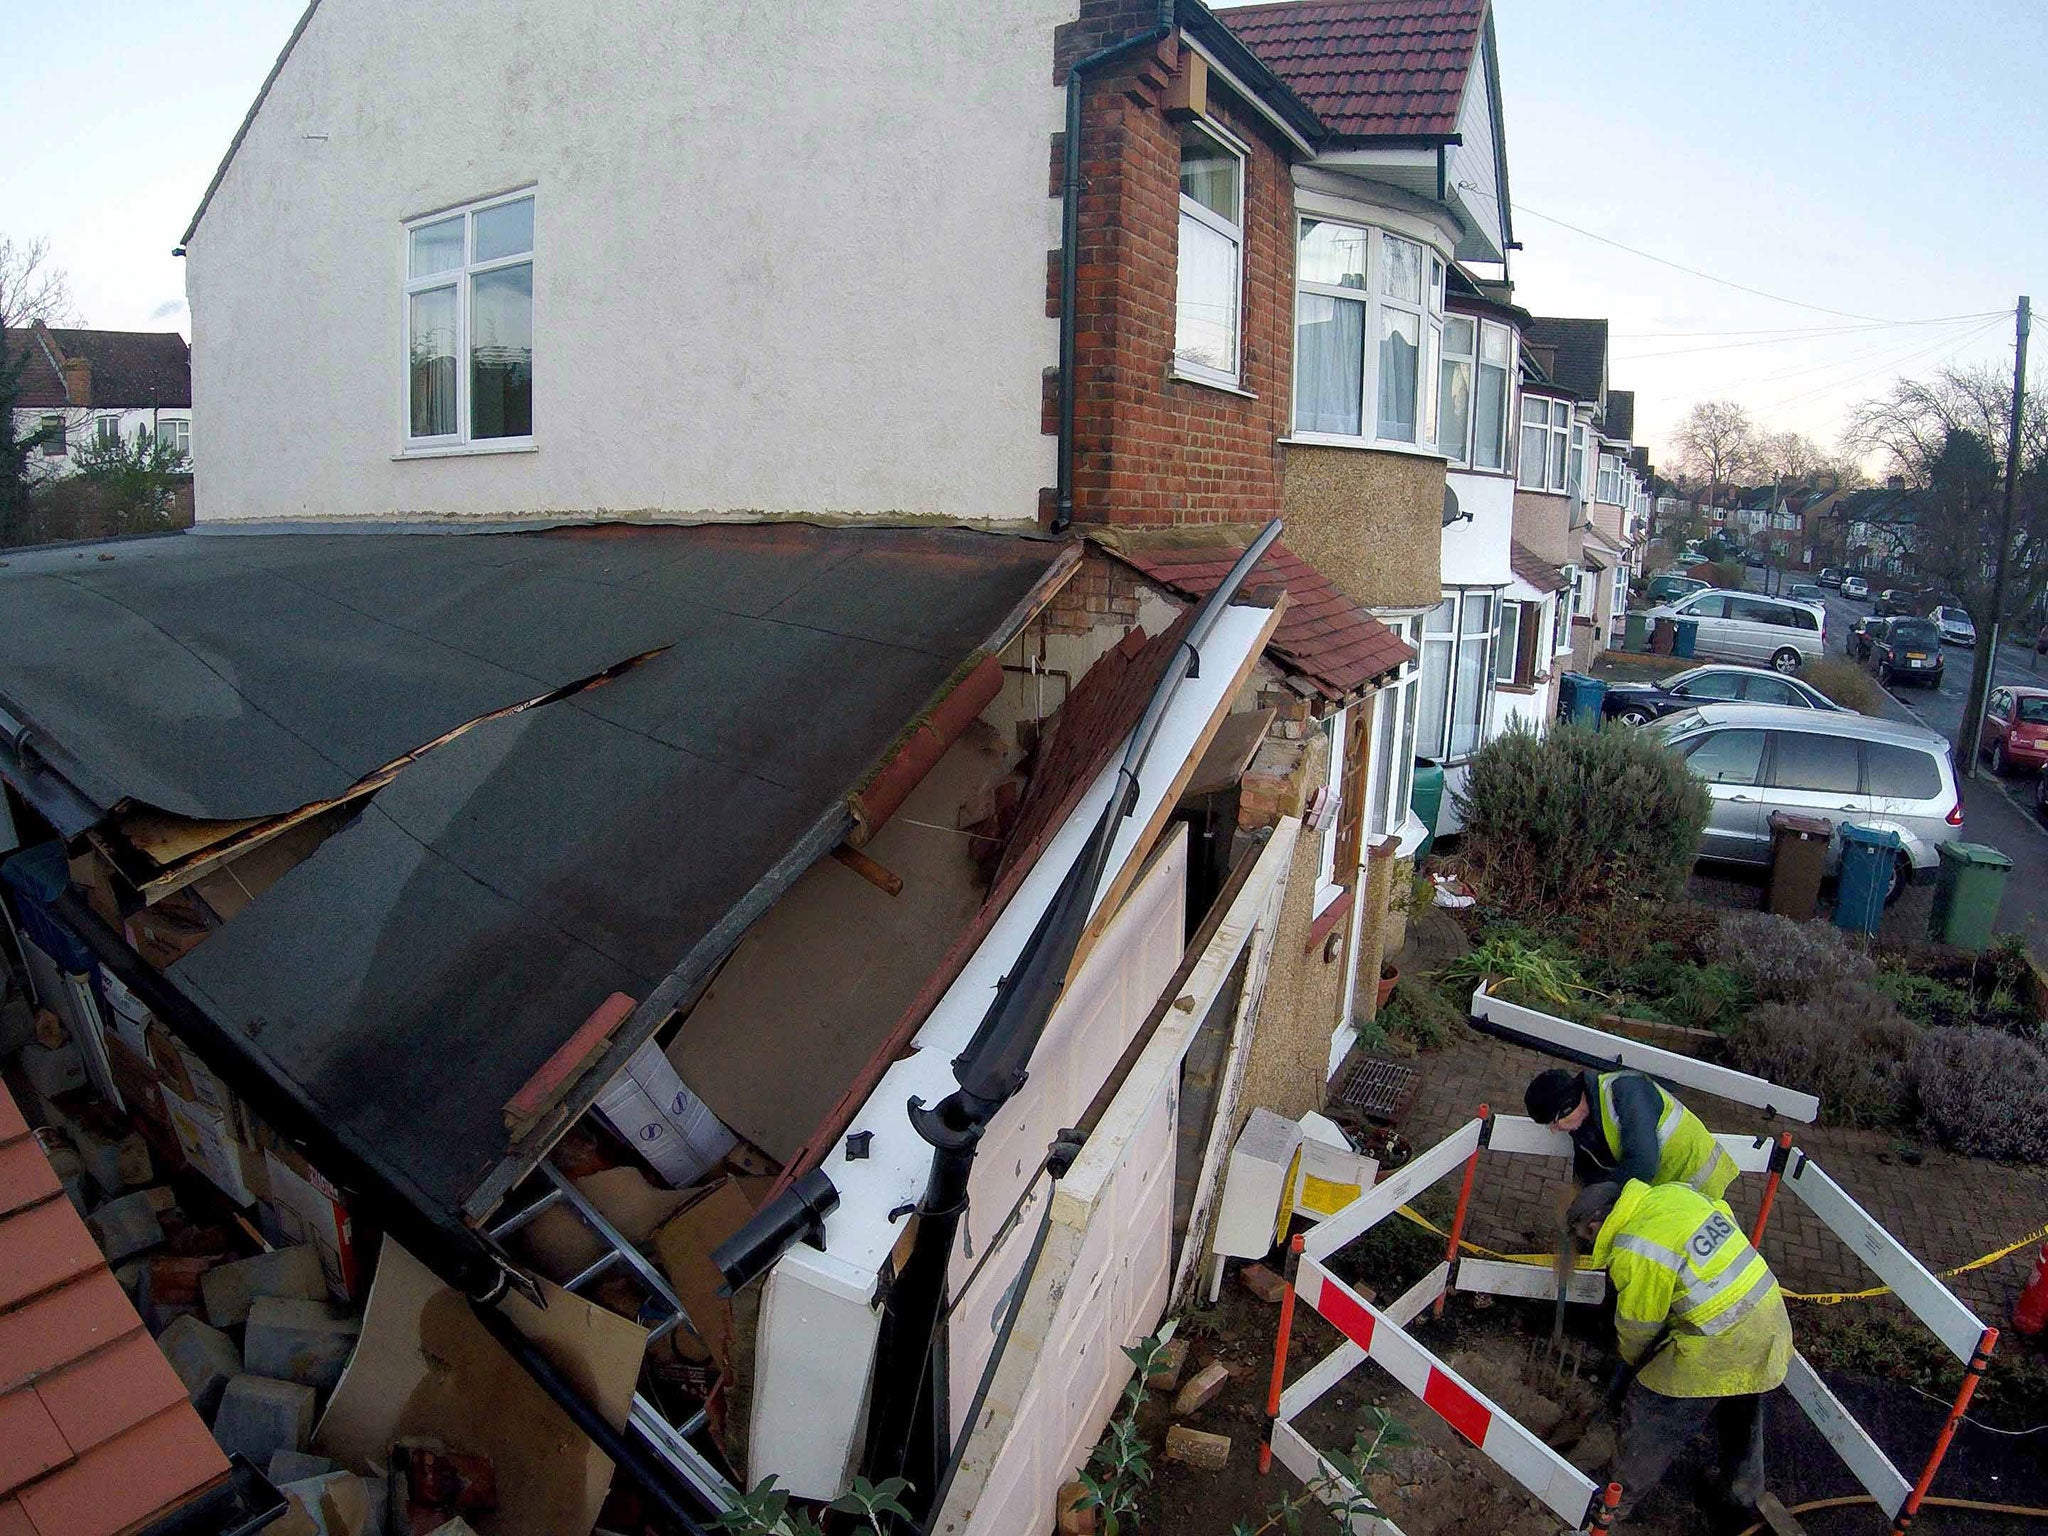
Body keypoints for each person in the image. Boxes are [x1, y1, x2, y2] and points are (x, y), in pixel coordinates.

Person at [1569, 1179, 1792, 1520]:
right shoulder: (1672, 1194)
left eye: (1586, 1237)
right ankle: (1741, 1491)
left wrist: (1631, 1368)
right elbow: (1722, 1213)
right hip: (1767, 1316)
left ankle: (1614, 1502)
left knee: (1650, 1405)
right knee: (1742, 1401)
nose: (1587, 1244)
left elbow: (1638, 1327)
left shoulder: (1634, 1249)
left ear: (1597, 1225)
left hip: (1720, 1340)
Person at [1524, 1067, 1738, 1202]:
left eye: (1553, 1122)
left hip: (1697, 1183)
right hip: (1663, 1188)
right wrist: (1580, 1199)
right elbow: (1588, 1167)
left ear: (1568, 1107)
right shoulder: (1582, 1120)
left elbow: (1643, 1164)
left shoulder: (1626, 1092)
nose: (1554, 1130)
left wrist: (1601, 1198)